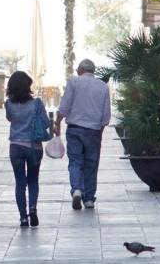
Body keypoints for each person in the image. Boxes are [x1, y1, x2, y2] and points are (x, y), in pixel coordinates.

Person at [54, 59, 111, 210]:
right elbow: (106, 113)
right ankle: (89, 199)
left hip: (75, 129)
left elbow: (65, 105)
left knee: (75, 161)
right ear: (93, 71)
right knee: (91, 164)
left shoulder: (73, 82)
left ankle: (77, 189)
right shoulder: (103, 86)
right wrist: (101, 129)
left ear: (80, 70)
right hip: (94, 130)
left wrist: (57, 122)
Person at [4, 71, 49, 227]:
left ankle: (23, 218)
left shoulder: (8, 104)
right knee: (33, 180)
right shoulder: (37, 103)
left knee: (19, 182)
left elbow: (10, 118)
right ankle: (33, 208)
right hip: (33, 147)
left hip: (15, 147)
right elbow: (45, 122)